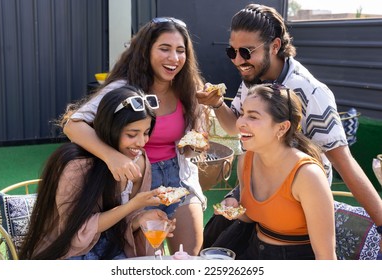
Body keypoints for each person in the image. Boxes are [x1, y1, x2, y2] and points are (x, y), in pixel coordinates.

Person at [197, 3, 382, 249]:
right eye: (232, 52)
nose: (238, 60)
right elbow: (236, 128)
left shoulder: (310, 92)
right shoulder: (253, 78)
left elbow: (343, 162)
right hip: (256, 192)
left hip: (294, 206)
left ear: (275, 46)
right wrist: (219, 104)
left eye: (246, 51)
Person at [63, 17, 209, 255]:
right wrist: (113, 157)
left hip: (180, 179)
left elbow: (191, 142)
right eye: (165, 48)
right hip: (138, 182)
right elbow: (73, 125)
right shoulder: (123, 88)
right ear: (146, 51)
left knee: (190, 257)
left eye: (180, 50)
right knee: (146, 260)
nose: (174, 58)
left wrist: (195, 144)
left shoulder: (189, 88)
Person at [19, 85, 173, 260]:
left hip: (113, 249)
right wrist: (132, 205)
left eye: (146, 133)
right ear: (110, 129)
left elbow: (123, 223)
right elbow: (75, 234)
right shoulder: (77, 166)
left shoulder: (141, 161)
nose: (141, 142)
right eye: (132, 134)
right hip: (69, 252)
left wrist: (142, 219)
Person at [235, 84, 336, 259]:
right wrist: (233, 206)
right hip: (252, 252)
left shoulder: (308, 175)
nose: (240, 122)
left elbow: (326, 257)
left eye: (252, 116)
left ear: (282, 128)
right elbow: (253, 214)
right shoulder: (245, 160)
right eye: (243, 113)